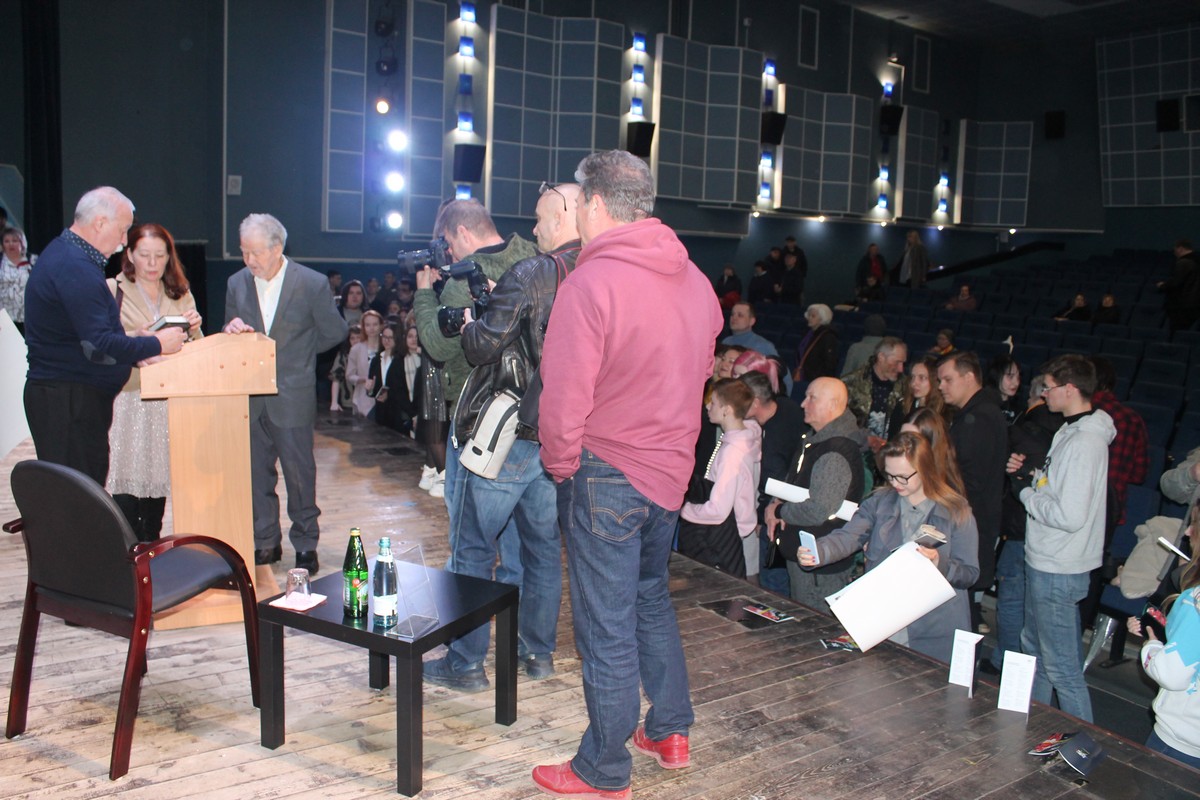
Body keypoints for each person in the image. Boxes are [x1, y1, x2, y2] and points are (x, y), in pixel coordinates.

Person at [535, 150, 722, 799]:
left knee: (605, 625)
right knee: (649, 599)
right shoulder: (697, 283)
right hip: (669, 474)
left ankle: (604, 768)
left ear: (593, 204)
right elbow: (699, 374)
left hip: (606, 471)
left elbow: (563, 397)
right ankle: (669, 730)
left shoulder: (590, 283)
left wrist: (562, 467)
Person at [422, 181, 583, 691]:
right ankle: (536, 654)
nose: (533, 229)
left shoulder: (532, 272)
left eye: (539, 218)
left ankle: (465, 663)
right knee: (541, 550)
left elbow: (480, 348)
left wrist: (478, 316)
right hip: (557, 433)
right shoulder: (595, 270)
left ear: (560, 218)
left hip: (507, 432)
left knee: (472, 549)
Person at [23, 186, 185, 486]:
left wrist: (134, 342)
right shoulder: (75, 266)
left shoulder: (67, 255)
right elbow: (98, 344)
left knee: (76, 493)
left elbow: (84, 338)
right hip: (69, 402)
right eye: (123, 230)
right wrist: (157, 343)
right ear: (99, 223)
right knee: (77, 497)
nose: (124, 241)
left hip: (66, 398)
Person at [223, 213, 348, 575]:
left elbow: (335, 331)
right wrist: (230, 328)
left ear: (277, 248)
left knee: (299, 474)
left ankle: (306, 544)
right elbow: (228, 327)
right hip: (250, 395)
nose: (249, 260)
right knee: (256, 474)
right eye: (244, 252)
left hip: (292, 394)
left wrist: (301, 357)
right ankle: (265, 541)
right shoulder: (236, 283)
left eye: (256, 252)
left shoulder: (311, 283)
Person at [800, 432, 980, 663]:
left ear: (926, 469)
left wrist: (939, 563)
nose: (895, 483)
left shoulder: (957, 511)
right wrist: (819, 552)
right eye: (889, 475)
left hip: (934, 629)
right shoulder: (879, 503)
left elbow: (970, 573)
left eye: (903, 477)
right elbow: (849, 536)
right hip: (884, 624)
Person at [413, 198, 538, 516]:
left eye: (448, 242)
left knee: (468, 525)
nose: (449, 252)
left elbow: (437, 345)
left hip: (478, 418)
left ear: (463, 232)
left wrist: (424, 293)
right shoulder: (535, 256)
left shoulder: (464, 279)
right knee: (529, 528)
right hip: (532, 412)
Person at [1009, 355, 1115, 722]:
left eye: (1049, 387)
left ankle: (1084, 744)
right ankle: (1034, 728)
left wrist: (1025, 494)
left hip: (1060, 566)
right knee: (1036, 653)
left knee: (1062, 669)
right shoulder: (1070, 431)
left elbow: (1070, 516)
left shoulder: (1085, 442)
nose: (1043, 394)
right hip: (1047, 559)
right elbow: (1058, 488)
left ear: (1070, 389)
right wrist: (1031, 475)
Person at [105, 223, 203, 541]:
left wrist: (195, 330)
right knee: (124, 487)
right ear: (129, 254)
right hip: (126, 400)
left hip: (167, 404)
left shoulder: (181, 294)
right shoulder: (112, 290)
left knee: (155, 489)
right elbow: (103, 343)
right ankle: (125, 556)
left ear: (169, 257)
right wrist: (141, 340)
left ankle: (150, 554)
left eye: (159, 255)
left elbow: (198, 351)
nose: (152, 263)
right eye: (144, 255)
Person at [985, 375, 1063, 675]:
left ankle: (1007, 662)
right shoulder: (1065, 431)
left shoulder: (1024, 430)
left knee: (1012, 598)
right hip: (1048, 530)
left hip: (1021, 525)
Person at [765, 377, 865, 608]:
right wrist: (776, 502)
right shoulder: (819, 441)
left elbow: (818, 509)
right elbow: (799, 485)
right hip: (810, 560)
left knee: (815, 622)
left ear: (833, 404)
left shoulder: (835, 451)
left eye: (812, 398)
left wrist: (779, 510)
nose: (803, 404)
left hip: (820, 569)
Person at [1126, 499, 1200, 769]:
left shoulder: (1195, 602)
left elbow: (1172, 674)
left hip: (1182, 741)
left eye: (1194, 524)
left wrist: (1152, 644)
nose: (1187, 532)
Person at [937, 351, 1008, 632]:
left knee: (960, 611)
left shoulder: (979, 418)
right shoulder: (976, 414)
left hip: (968, 524)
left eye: (947, 379)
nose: (941, 386)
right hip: (969, 521)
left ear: (968, 377)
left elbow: (968, 482)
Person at [680, 378, 761, 579]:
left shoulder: (732, 453)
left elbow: (718, 510)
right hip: (735, 532)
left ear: (727, 410)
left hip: (723, 537)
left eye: (713, 402)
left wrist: (685, 510)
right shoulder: (744, 439)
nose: (708, 406)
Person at [742, 370, 805, 594]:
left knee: (772, 584)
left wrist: (761, 517)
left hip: (776, 518)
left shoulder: (773, 440)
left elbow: (774, 481)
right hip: (788, 510)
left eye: (741, 400)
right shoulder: (788, 408)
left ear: (755, 403)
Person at [845, 336, 908, 453]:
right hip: (857, 451)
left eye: (903, 363)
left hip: (891, 453)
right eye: (897, 362)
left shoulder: (906, 387)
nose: (901, 369)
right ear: (881, 357)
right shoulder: (850, 384)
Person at [367, 324, 417, 435]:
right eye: (384, 337)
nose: (387, 340)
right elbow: (372, 388)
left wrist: (389, 395)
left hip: (399, 412)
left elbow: (402, 387)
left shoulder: (402, 360)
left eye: (390, 337)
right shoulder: (376, 360)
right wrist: (370, 389)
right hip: (381, 412)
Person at [889, 354, 950, 438]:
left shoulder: (946, 412)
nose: (914, 383)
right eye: (913, 377)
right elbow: (893, 439)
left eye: (922, 378)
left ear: (935, 380)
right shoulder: (902, 407)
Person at [791, 304, 839, 391]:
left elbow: (830, 363)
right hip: (805, 376)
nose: (809, 318)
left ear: (822, 319)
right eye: (809, 315)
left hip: (816, 380)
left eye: (813, 316)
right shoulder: (808, 334)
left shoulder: (828, 337)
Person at [1158, 239, 1200, 334]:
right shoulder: (1197, 261)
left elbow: (1176, 282)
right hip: (1195, 304)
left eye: (1175, 249)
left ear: (1180, 248)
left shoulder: (1184, 262)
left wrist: (1162, 286)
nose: (1174, 252)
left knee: (1177, 332)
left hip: (1182, 305)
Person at [347, 309, 383, 418]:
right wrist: (363, 380)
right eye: (368, 325)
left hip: (385, 399)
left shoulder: (387, 347)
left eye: (375, 324)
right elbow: (349, 375)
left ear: (381, 325)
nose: (371, 328)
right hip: (363, 399)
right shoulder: (356, 349)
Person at [0, 225, 36, 335]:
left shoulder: (33, 260)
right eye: (7, 241)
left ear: (22, 243)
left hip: (29, 319)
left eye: (14, 241)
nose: (11, 244)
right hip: (4, 319)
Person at [986, 355, 1023, 424]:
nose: (1016, 383)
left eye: (1018, 377)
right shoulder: (983, 405)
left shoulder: (1019, 410)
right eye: (1010, 377)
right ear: (997, 376)